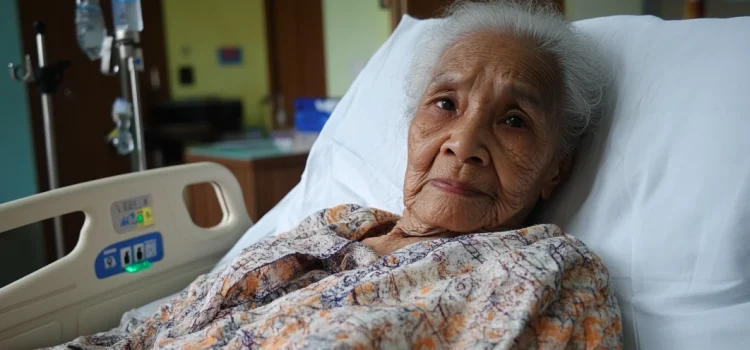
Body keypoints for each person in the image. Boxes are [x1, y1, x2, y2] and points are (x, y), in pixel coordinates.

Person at [52, 1, 621, 349]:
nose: (464, 143)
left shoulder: (550, 274)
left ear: (557, 168)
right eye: (445, 104)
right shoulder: (338, 224)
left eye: (514, 120)